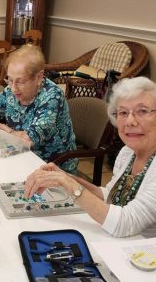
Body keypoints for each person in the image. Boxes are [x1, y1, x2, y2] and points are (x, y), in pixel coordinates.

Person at [25, 76, 156, 238]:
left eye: (142, 111)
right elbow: (109, 196)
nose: (130, 121)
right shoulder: (127, 153)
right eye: (123, 112)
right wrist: (65, 177)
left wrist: (68, 184)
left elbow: (124, 223)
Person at [0, 44, 77, 173]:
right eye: (9, 80)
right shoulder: (11, 91)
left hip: (51, 166)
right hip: (20, 157)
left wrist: (7, 130)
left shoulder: (52, 97)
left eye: (20, 82)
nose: (13, 88)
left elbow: (28, 140)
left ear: (39, 77)